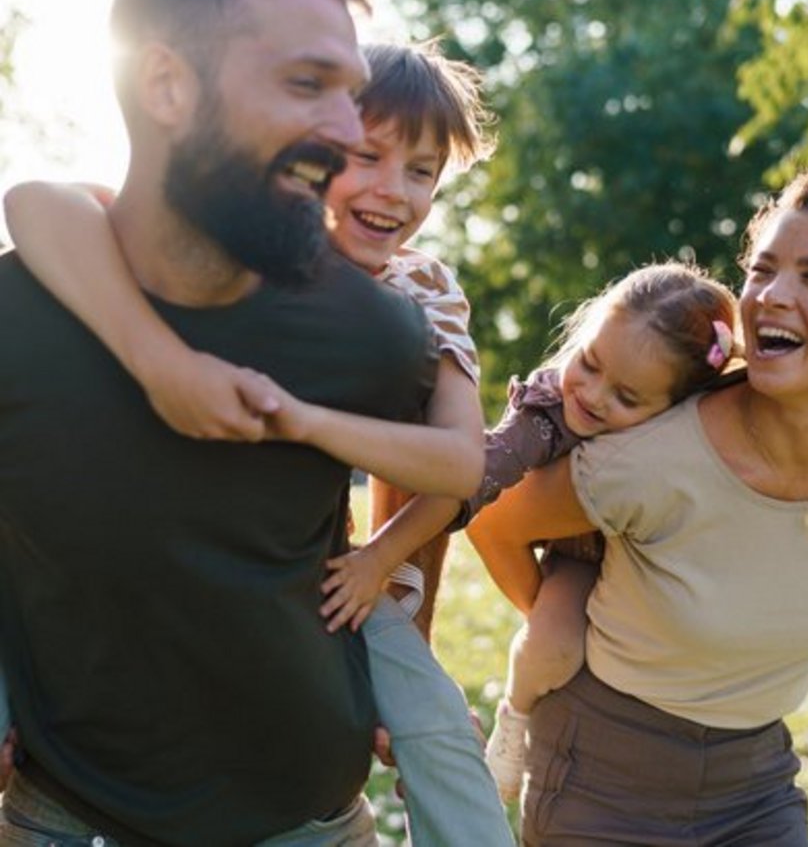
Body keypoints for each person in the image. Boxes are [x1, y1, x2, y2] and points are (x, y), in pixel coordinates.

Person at [1, 42, 516, 847]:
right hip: (106, 592)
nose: (394, 190)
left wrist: (380, 553)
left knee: (437, 724)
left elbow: (458, 465)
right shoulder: (228, 252)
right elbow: (36, 199)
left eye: (422, 172)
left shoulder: (421, 291)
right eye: (368, 157)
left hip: (322, 575)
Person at [468, 170, 808, 846]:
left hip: (757, 788)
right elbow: (491, 521)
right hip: (605, 785)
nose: (772, 296)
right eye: (764, 270)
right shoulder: (649, 460)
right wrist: (561, 624)